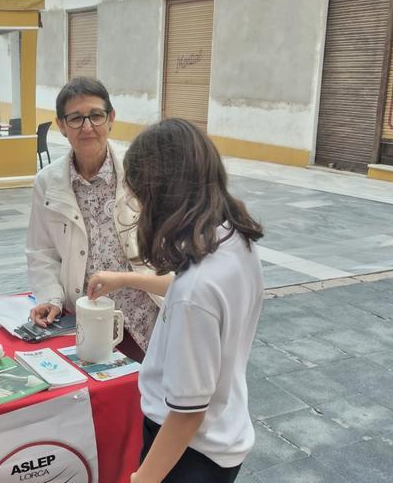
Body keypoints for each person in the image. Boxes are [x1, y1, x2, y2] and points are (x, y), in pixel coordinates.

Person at [86, 119, 264, 482]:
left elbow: (187, 415)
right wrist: (124, 279)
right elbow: (199, 291)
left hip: (187, 452)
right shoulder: (232, 239)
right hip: (221, 435)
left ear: (160, 197)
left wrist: (143, 478)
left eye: (139, 199)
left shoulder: (194, 295)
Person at [25, 77, 160, 361]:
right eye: (75, 118)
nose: (87, 127)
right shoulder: (47, 183)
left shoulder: (141, 173)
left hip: (145, 317)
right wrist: (51, 298)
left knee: (149, 397)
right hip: (84, 318)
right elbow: (41, 251)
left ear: (111, 119)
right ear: (61, 126)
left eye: (96, 116)